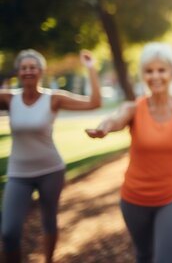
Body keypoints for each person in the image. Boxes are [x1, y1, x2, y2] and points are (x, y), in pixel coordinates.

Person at [85, 43, 172, 263]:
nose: (155, 76)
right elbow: (116, 119)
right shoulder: (133, 108)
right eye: (149, 71)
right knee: (144, 256)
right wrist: (104, 127)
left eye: (161, 70)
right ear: (143, 75)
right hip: (133, 199)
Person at [0, 49, 101, 263]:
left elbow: (94, 102)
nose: (28, 71)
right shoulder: (9, 99)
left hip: (50, 171)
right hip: (18, 173)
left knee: (49, 222)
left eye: (32, 67)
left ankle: (48, 260)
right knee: (9, 233)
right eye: (24, 68)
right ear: (18, 72)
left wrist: (91, 68)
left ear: (41, 71)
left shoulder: (53, 98)